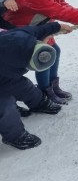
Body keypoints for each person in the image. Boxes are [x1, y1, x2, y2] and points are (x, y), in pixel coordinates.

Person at [0, 22, 71, 150]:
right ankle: (16, 136)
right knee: (5, 104)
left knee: (22, 85)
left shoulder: (25, 36)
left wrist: (58, 26)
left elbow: (41, 29)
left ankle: (40, 103)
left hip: (5, 72)